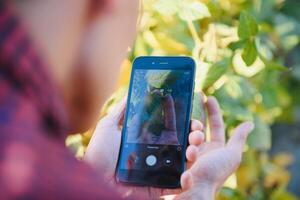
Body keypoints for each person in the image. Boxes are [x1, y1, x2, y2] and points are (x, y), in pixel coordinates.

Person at [0, 0, 254, 199]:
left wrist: (103, 181)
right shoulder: (45, 181)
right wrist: (200, 193)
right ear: (109, 3)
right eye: (126, 49)